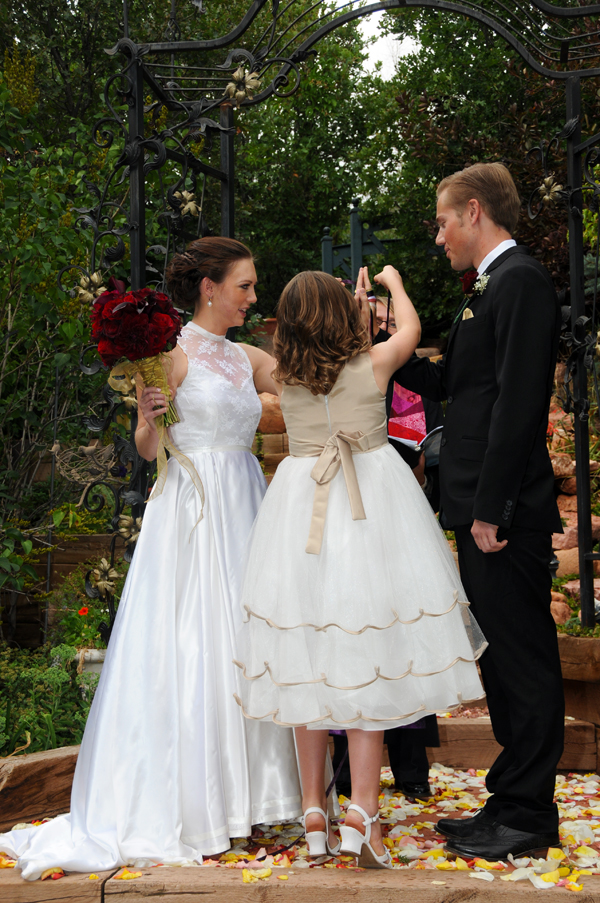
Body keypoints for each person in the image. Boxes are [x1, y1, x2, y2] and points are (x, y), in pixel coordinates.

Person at [0, 237, 301, 880]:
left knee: (248, 636)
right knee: (196, 642)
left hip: (246, 502)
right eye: (244, 286)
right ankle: (200, 803)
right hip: (193, 508)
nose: (253, 297)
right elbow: (146, 448)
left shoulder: (248, 356)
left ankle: (260, 797)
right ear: (210, 289)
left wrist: (357, 324)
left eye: (253, 286)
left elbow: (308, 380)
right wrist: (147, 414)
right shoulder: (171, 357)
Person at [234, 268, 485, 869]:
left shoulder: (283, 377)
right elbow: (415, 329)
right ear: (346, 317)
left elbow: (239, 351)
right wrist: (394, 285)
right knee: (368, 663)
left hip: (299, 521)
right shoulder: (372, 365)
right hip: (369, 515)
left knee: (306, 666)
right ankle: (362, 815)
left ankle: (313, 814)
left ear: (287, 325)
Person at [396, 162, 564, 860]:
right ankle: (512, 799)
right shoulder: (486, 291)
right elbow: (456, 389)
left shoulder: (519, 280)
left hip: (505, 513)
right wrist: (384, 346)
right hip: (477, 508)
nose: (438, 238)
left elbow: (521, 402)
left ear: (472, 211)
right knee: (501, 660)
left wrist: (492, 506)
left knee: (522, 658)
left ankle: (528, 815)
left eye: (440, 222)